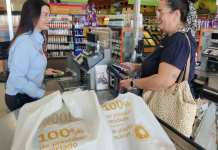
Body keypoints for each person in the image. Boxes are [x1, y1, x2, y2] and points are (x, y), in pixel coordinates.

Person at [121, 0, 198, 97]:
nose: (157, 16)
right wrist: (135, 67)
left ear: (175, 14)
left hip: (168, 108)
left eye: (160, 12)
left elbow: (164, 81)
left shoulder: (178, 40)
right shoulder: (172, 37)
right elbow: (160, 66)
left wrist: (133, 83)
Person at [5, 0, 60, 111]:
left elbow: (28, 65)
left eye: (49, 15)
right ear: (32, 17)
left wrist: (43, 72)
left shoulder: (35, 39)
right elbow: (16, 78)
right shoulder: (26, 42)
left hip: (26, 95)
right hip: (20, 98)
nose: (49, 19)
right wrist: (42, 93)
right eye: (45, 15)